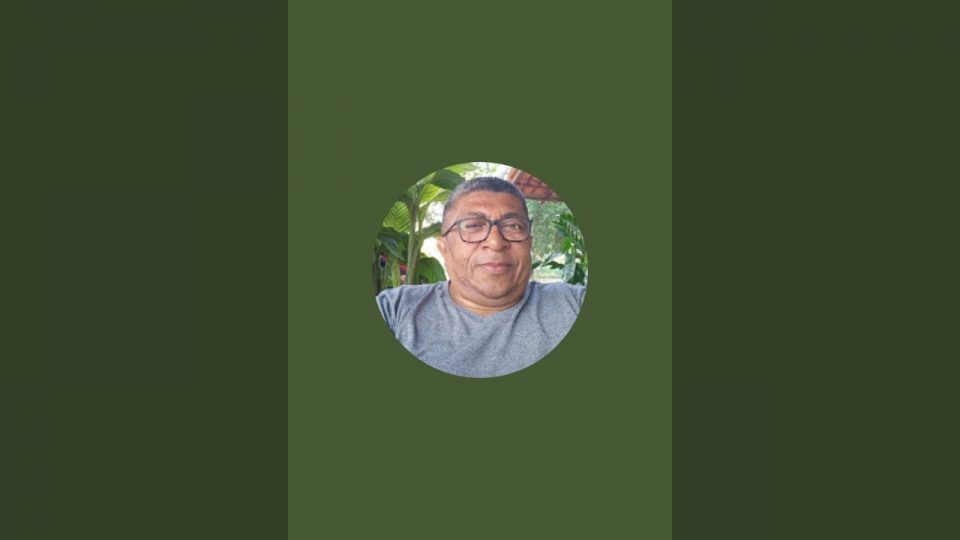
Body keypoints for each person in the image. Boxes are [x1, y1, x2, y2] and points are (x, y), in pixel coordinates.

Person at [376, 176, 586, 377]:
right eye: (473, 226)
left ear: (529, 244)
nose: (495, 242)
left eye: (513, 226)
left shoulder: (573, 304)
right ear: (444, 249)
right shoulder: (395, 310)